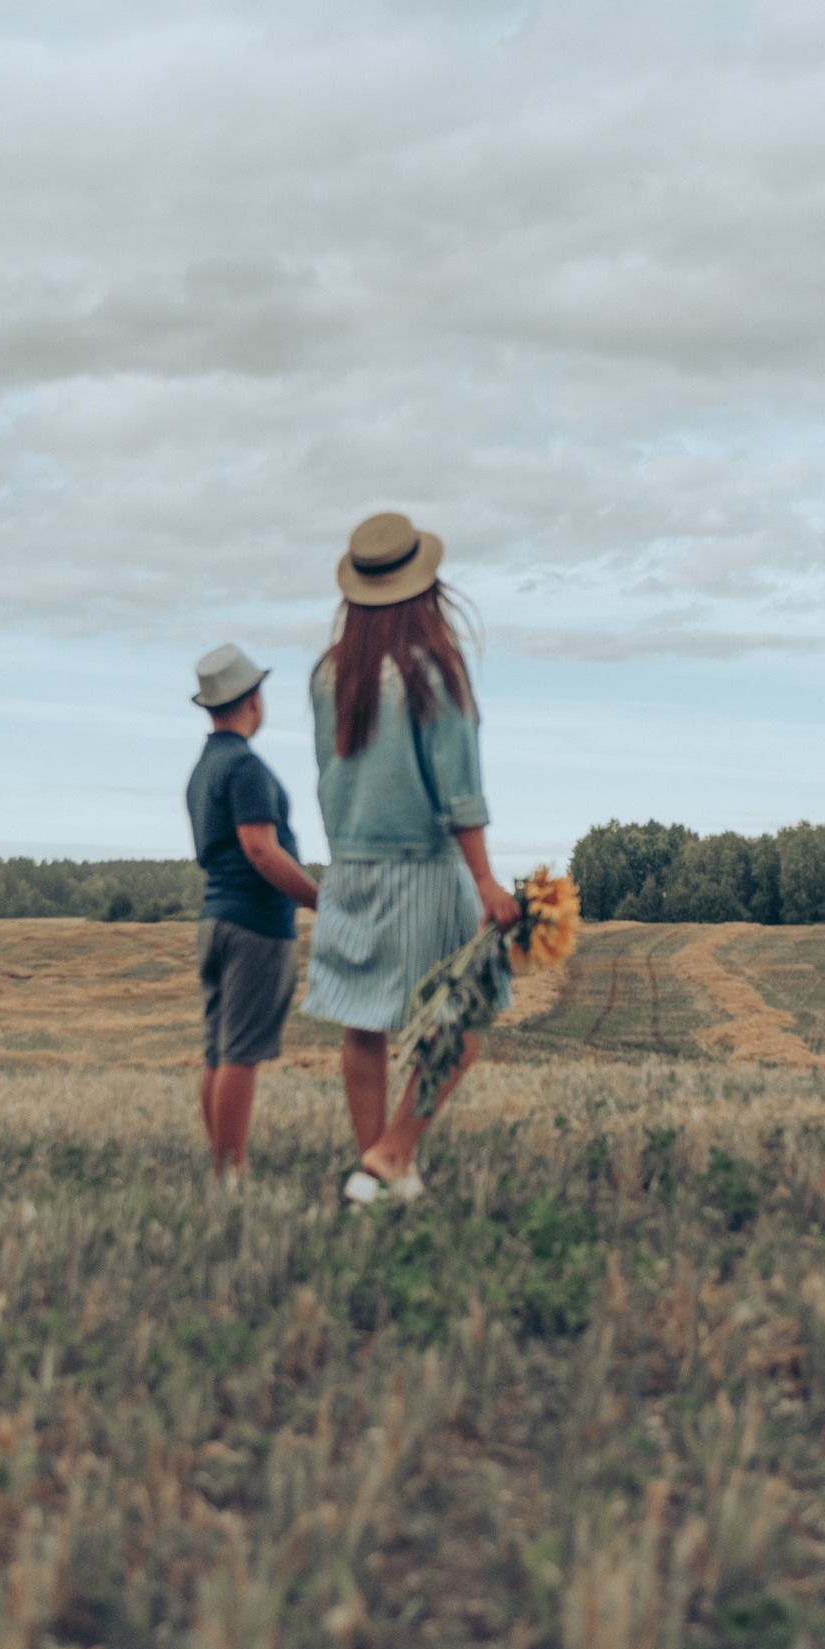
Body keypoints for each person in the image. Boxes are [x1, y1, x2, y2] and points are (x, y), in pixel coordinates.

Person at [301, 514, 519, 1204]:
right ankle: (392, 1155)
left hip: (350, 868)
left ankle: (376, 1169)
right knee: (466, 1013)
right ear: (424, 587)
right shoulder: (434, 670)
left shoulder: (326, 673)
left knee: (362, 1024)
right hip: (422, 866)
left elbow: (330, 774)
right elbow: (461, 789)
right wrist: (484, 877)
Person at [185, 644, 320, 1183]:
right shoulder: (244, 767)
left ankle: (223, 1163)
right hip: (255, 925)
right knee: (239, 1054)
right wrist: (318, 900)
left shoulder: (204, 768)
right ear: (253, 701)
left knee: (219, 1051)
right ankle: (231, 1171)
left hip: (214, 919)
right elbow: (260, 849)